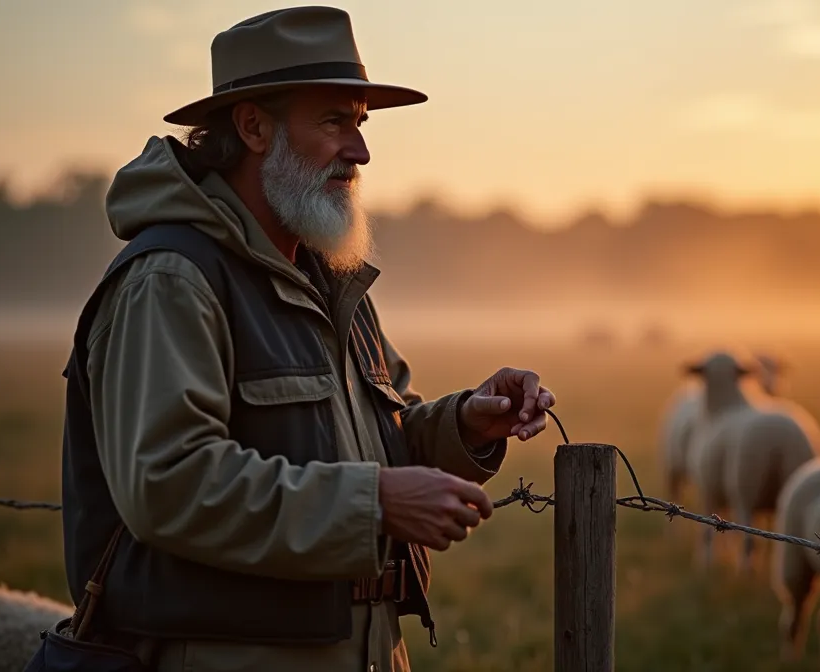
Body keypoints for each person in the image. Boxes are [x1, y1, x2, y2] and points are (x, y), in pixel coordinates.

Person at [58, 6, 556, 672]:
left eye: (360, 122)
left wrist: (467, 422)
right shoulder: (174, 278)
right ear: (253, 126)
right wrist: (374, 502)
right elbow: (168, 482)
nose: (361, 150)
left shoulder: (326, 276)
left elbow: (383, 435)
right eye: (334, 121)